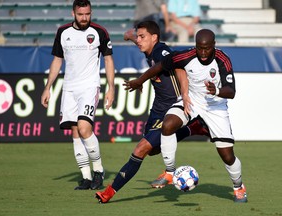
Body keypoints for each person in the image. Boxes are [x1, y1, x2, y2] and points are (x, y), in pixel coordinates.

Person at [124, 29, 248, 203]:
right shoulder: (186, 55)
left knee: (227, 155)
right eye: (200, 48)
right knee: (167, 125)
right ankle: (169, 172)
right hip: (193, 101)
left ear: (213, 45)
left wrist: (217, 91)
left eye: (207, 48)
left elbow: (232, 92)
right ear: (195, 45)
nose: (203, 53)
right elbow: (160, 65)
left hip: (215, 107)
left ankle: (238, 187)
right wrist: (140, 80)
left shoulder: (223, 59)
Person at [95, 21, 209, 204]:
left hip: (173, 108)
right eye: (138, 37)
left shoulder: (161, 51)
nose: (139, 41)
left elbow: (178, 66)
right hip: (158, 109)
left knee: (141, 149)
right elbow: (133, 35)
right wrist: (130, 36)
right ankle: (193, 129)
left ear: (154, 38)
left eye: (142, 37)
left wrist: (185, 94)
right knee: (154, 150)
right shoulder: (147, 46)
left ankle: (109, 192)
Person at [41, 0, 115, 190]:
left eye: (88, 14)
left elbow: (108, 60)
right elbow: (57, 61)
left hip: (89, 87)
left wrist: (111, 88)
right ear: (73, 13)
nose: (85, 18)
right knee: (75, 132)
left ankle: (98, 171)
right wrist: (48, 87)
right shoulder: (63, 32)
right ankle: (86, 177)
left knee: (84, 128)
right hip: (69, 88)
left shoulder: (100, 32)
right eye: (81, 14)